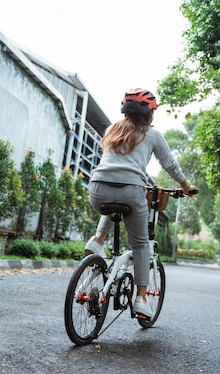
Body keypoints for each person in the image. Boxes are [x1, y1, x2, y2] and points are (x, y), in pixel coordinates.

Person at [84, 88, 197, 319]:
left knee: (112, 198)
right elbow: (170, 164)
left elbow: (111, 163)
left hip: (97, 190)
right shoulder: (152, 134)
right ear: (149, 114)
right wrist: (186, 186)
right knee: (141, 245)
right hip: (131, 192)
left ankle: (98, 240)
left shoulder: (112, 130)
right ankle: (142, 299)